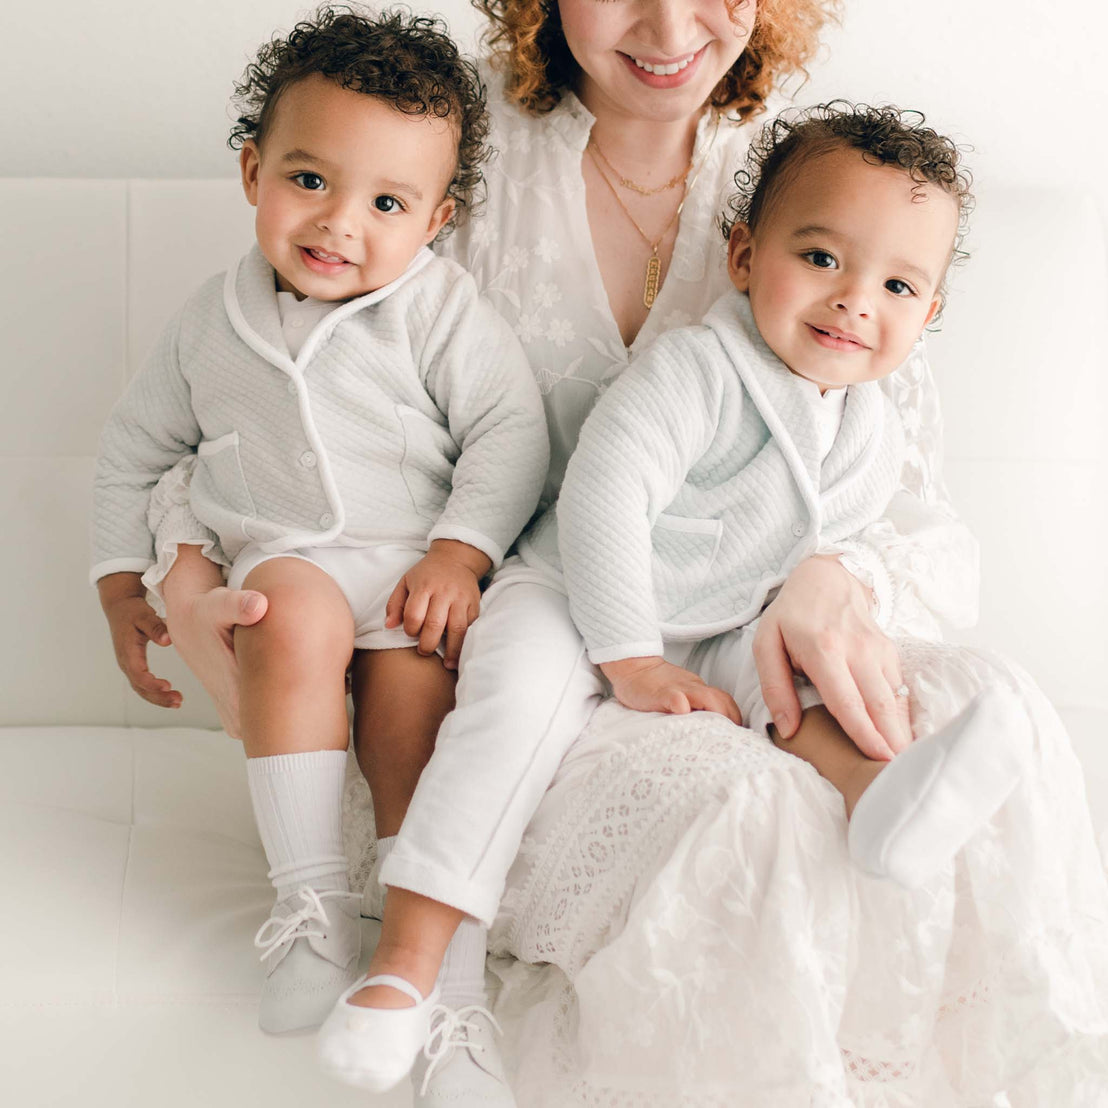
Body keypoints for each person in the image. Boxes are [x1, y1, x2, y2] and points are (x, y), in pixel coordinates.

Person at [118, 0, 1108, 1102]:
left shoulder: (831, 184)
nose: (667, 20)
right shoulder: (441, 152)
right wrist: (187, 573)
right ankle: (412, 970)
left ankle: (897, 836)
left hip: (722, 614)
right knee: (748, 803)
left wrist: (836, 573)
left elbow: (903, 499)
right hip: (479, 649)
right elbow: (255, 406)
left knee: (974, 694)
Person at [90, 4, 548, 1047]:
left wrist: (458, 551)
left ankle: (434, 951)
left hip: (406, 573)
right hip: (287, 555)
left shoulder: (437, 312)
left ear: (435, 221)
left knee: (410, 724)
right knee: (283, 612)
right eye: (310, 181)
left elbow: (510, 435)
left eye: (387, 201)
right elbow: (133, 449)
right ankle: (309, 909)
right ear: (253, 172)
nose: (342, 223)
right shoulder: (213, 318)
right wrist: (122, 582)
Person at [557, 102, 1032, 890]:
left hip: (741, 624)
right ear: (743, 255)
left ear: (929, 314)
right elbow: (606, 490)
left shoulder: (873, 420)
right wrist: (632, 651)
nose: (856, 300)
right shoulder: (700, 368)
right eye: (820, 258)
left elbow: (860, 532)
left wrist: (833, 581)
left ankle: (882, 794)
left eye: (898, 285)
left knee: (804, 680)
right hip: (638, 614)